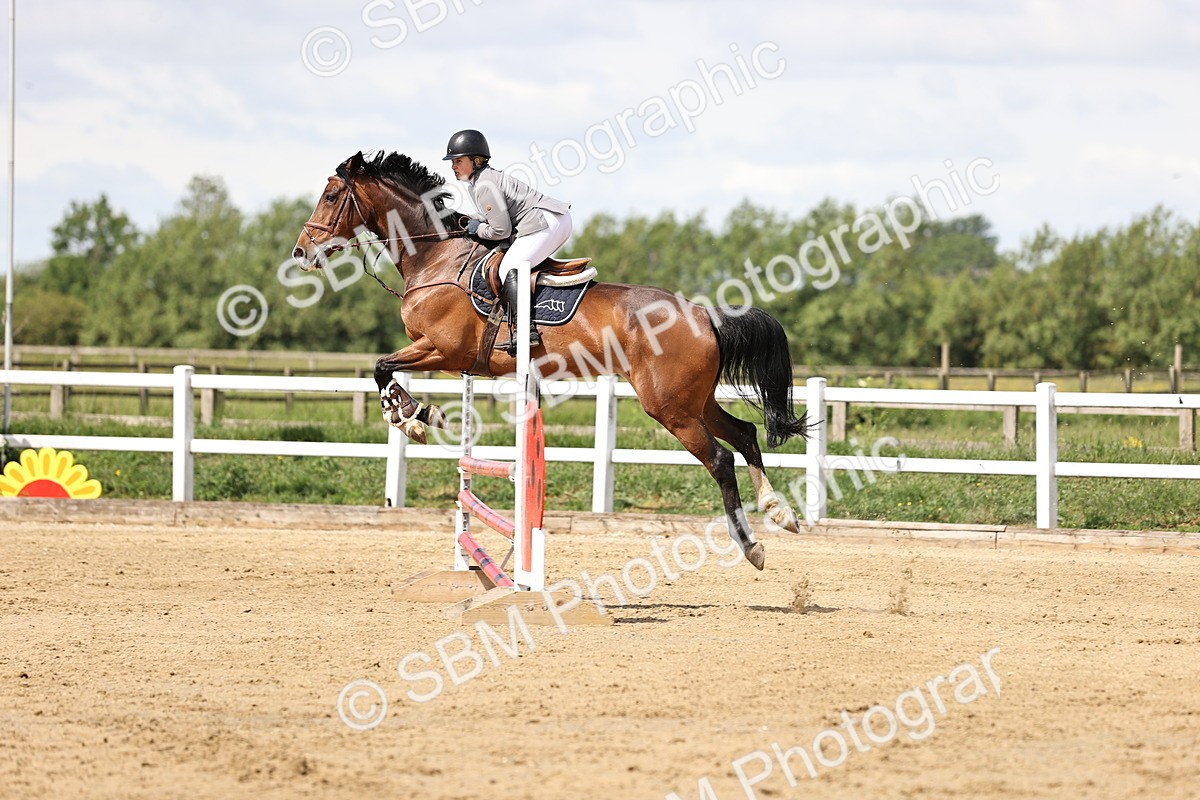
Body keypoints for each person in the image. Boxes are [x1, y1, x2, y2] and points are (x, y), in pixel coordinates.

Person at [443, 129, 572, 347]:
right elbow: (490, 216)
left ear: (475, 161)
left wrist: (477, 229)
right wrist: (467, 219)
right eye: (452, 161)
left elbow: (500, 230)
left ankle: (525, 331)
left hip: (546, 223)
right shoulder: (480, 181)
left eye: (458, 161)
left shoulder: (484, 184)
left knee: (508, 268)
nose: (453, 166)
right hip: (551, 220)